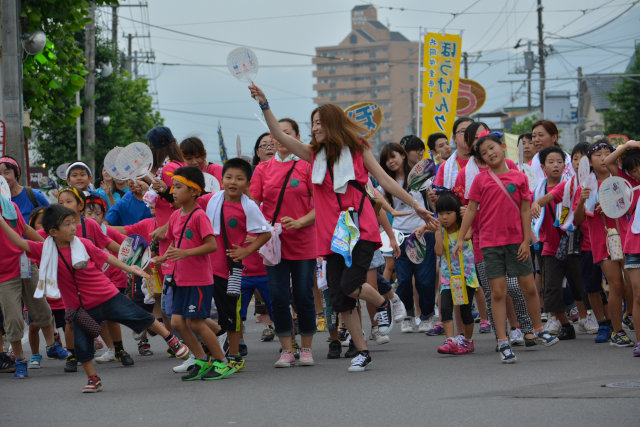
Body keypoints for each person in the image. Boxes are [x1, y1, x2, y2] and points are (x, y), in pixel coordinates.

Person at [250, 83, 435, 372]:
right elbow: (277, 133)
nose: (315, 128)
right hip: (331, 235)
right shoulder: (313, 155)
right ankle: (362, 351)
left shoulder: (358, 149)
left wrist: (417, 206)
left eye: (319, 123)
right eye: (312, 124)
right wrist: (264, 104)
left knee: (350, 285)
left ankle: (383, 302)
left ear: (333, 124)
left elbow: (385, 182)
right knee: (339, 297)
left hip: (359, 229)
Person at [0, 204, 189, 392]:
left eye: (73, 223)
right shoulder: (45, 249)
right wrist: (2, 221)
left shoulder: (84, 243)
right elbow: (19, 242)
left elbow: (107, 257)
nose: (73, 227)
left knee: (141, 317)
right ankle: (93, 378)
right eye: (67, 224)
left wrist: (130, 268)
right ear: (53, 232)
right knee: (82, 346)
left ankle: (171, 339)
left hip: (107, 295)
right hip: (80, 308)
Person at [453, 132, 558, 364]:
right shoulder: (480, 180)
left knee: (529, 287)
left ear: (502, 147)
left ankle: (538, 329)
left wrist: (524, 240)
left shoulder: (518, 177)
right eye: (484, 153)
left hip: (516, 242)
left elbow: (524, 210)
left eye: (492, 148)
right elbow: (471, 210)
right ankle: (502, 341)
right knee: (498, 293)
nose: (490, 154)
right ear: (481, 159)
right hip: (490, 244)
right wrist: (461, 239)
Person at [153, 166, 235, 381]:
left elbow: (211, 246)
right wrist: (162, 258)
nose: (173, 191)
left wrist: (185, 252)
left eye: (179, 187)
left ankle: (222, 362)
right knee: (178, 323)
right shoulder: (175, 216)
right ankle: (200, 359)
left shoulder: (199, 216)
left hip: (198, 280)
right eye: (174, 187)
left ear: (194, 191)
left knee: (196, 322)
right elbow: (174, 243)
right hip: (180, 279)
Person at [250, 118, 318, 367]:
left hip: (303, 240)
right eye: (275, 134)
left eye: (286, 133)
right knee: (277, 296)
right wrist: (259, 229)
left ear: (297, 136)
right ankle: (287, 349)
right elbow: (252, 204)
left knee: (303, 294)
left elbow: (320, 204)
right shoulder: (262, 169)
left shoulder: (307, 166)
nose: (279, 139)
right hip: (273, 244)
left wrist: (300, 222)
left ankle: (307, 347)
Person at [206, 158, 272, 372]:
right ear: (221, 179)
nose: (232, 182)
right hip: (208, 268)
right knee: (205, 313)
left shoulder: (249, 206)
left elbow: (266, 232)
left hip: (232, 271)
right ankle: (212, 352)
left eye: (239, 178)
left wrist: (246, 251)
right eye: (228, 177)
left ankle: (234, 356)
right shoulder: (212, 200)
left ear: (247, 183)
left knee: (232, 315)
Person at [574, 139, 634, 348]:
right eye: (598, 154)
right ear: (589, 161)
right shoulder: (586, 186)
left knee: (632, 284)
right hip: (603, 240)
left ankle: (629, 315)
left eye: (607, 153)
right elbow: (578, 220)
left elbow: (629, 205)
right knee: (616, 284)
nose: (602, 158)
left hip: (627, 237)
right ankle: (617, 331)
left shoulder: (619, 178)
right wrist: (582, 201)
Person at [0, 195, 66, 379]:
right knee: (13, 318)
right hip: (4, 275)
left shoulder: (9, 206)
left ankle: (52, 345)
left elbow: (26, 229)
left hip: (25, 265)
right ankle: (20, 360)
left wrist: (48, 246)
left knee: (42, 307)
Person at [531, 146, 588, 340]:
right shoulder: (539, 189)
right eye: (551, 162)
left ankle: (587, 317)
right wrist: (536, 203)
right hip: (549, 245)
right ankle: (564, 323)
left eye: (559, 162)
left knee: (579, 285)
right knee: (552, 290)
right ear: (543, 166)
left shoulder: (570, 186)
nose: (556, 165)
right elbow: (541, 201)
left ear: (566, 165)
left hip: (572, 244)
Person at [379, 142, 436, 333]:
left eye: (393, 156)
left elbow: (432, 208)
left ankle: (427, 315)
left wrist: (433, 201)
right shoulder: (385, 185)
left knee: (425, 279)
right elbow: (378, 206)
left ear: (403, 156)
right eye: (386, 160)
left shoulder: (421, 179)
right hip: (400, 236)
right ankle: (408, 316)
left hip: (422, 233)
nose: (390, 162)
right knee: (403, 279)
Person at [603, 139, 640, 355]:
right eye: (632, 170)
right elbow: (608, 162)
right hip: (634, 245)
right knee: (637, 294)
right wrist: (626, 147)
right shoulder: (628, 183)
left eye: (637, 168)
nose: (635, 173)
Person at [430, 192, 478, 354]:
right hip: (448, 278)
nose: (444, 217)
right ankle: (450, 340)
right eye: (441, 214)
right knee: (445, 308)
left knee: (465, 311)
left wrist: (466, 218)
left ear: (457, 213)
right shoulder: (441, 232)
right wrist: (437, 232)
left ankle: (468, 341)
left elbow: (469, 235)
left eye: (449, 213)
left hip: (466, 277)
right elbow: (438, 251)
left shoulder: (464, 228)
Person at [0, 155, 50, 222]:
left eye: (7, 173)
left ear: (17, 172)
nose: (2, 178)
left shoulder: (34, 195)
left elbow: (53, 218)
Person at [432, 117, 473, 189]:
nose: (467, 134)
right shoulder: (444, 167)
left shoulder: (484, 162)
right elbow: (440, 197)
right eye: (463, 131)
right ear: (454, 138)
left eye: (471, 131)